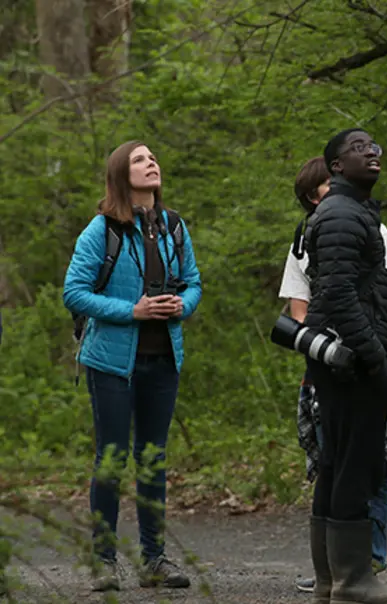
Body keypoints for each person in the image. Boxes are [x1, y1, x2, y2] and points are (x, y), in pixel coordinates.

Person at [63, 140, 203, 591]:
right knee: (111, 457)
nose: (152, 163)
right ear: (122, 174)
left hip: (164, 359)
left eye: (154, 157)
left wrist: (183, 304)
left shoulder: (174, 227)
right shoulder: (102, 229)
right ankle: (103, 562)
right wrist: (133, 311)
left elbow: (195, 282)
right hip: (111, 362)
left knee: (152, 459)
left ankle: (153, 561)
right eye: (140, 159)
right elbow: (74, 292)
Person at [279, 157, 387, 593]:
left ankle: (355, 570)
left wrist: (370, 352)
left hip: (368, 349)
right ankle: (344, 577)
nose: (328, 194)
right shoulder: (309, 235)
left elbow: (383, 293)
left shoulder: (373, 227)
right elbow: (302, 308)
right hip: (332, 357)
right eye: (319, 190)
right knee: (339, 459)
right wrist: (333, 351)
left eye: (332, 184)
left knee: (365, 460)